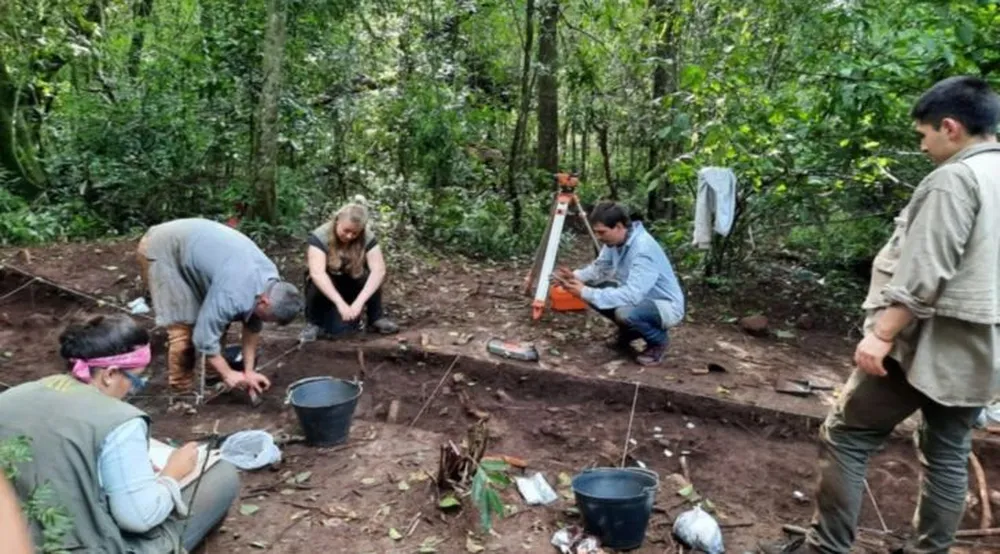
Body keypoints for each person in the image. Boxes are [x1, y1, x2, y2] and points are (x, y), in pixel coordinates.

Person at [761, 76, 1000, 554]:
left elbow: (926, 269)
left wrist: (883, 334)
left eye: (924, 134)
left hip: (929, 341)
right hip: (982, 347)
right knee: (948, 452)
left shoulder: (955, 179)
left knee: (846, 434)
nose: (922, 145)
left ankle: (827, 547)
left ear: (950, 127)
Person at [0, 315, 240, 553]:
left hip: (18, 536)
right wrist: (172, 474)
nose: (132, 389)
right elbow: (138, 518)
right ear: (110, 374)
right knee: (221, 475)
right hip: (82, 545)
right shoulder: (119, 421)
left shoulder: (10, 399)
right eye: (136, 379)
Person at [136, 218, 303, 396]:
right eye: (267, 318)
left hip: (197, 249)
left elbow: (252, 326)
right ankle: (181, 392)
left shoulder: (270, 282)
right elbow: (203, 337)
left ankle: (213, 378)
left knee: (218, 320)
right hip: (165, 248)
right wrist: (228, 373)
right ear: (264, 301)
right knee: (183, 331)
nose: (264, 321)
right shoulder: (233, 293)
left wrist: (249, 371)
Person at [554, 201, 685, 366]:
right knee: (593, 289)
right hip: (639, 298)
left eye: (602, 232)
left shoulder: (643, 250)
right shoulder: (615, 242)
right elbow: (600, 268)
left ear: (618, 226)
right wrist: (575, 276)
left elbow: (632, 295)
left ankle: (658, 341)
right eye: (596, 232)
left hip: (665, 305)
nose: (598, 237)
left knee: (625, 312)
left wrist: (585, 292)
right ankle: (628, 333)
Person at [300, 202, 399, 341]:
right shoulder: (320, 236)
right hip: (328, 287)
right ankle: (314, 323)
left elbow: (379, 270)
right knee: (315, 281)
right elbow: (318, 273)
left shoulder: (367, 237)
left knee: (371, 277)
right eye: (346, 230)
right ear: (337, 221)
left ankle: (375, 318)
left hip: (353, 282)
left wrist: (358, 303)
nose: (349, 236)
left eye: (355, 233)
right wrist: (340, 304)